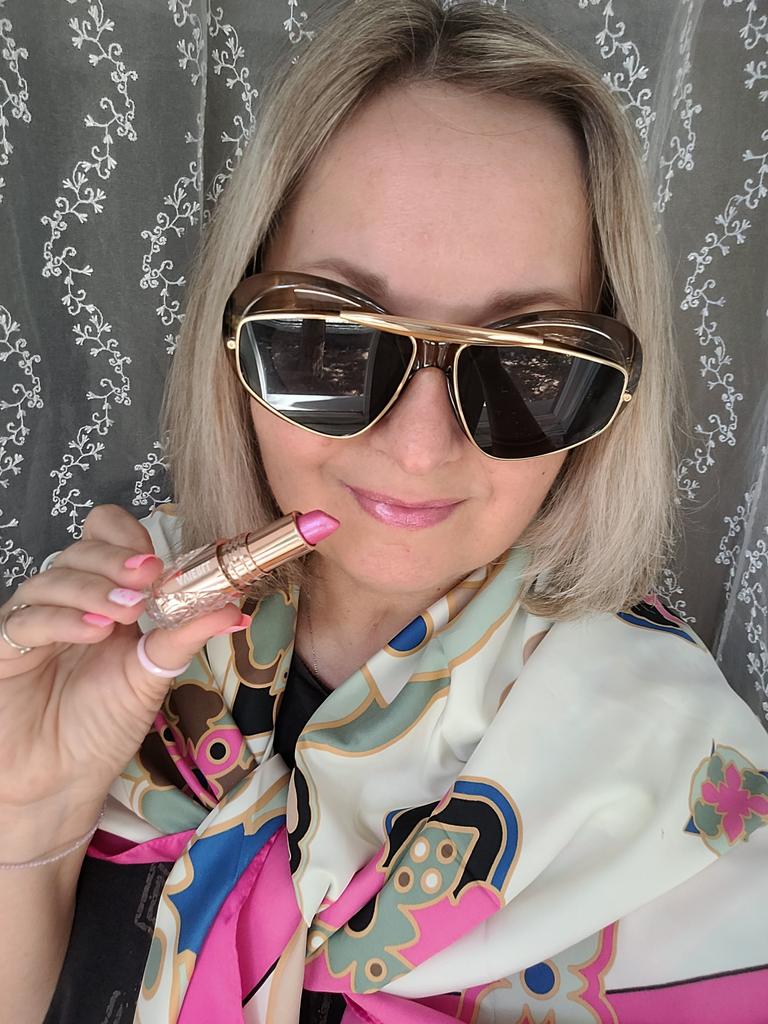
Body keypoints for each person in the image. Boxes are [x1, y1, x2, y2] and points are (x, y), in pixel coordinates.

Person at [1, 1, 767, 1021]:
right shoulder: (112, 643)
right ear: (234, 332)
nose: (417, 447)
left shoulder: (689, 798)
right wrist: (31, 820)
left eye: (525, 364)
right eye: (333, 339)